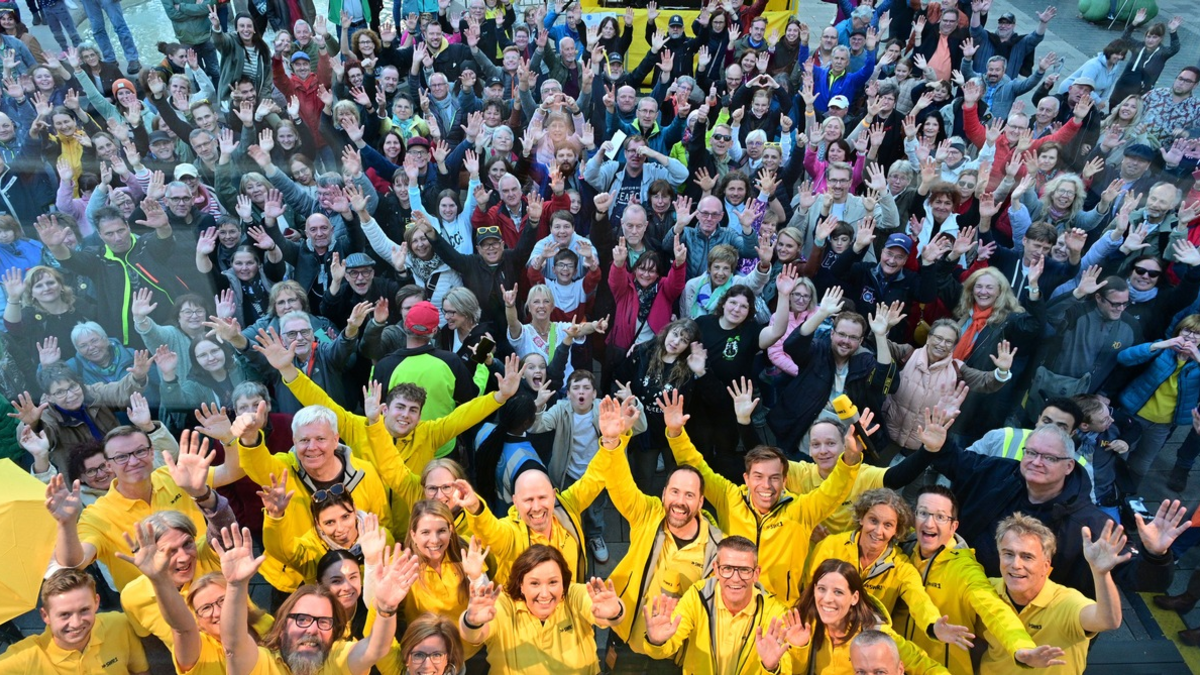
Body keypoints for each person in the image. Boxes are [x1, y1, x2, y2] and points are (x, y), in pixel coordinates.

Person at [664, 389, 861, 604]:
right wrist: (676, 433)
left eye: (774, 478)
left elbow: (833, 490)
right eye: (758, 476)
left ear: (785, 481)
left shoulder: (801, 510)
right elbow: (697, 466)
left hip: (780, 612)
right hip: (730, 604)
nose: (766, 485)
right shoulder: (729, 497)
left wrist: (851, 455)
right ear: (746, 479)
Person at [44, 427, 247, 591]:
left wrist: (228, 437)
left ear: (151, 452)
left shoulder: (174, 477)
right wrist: (66, 525)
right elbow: (76, 562)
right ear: (108, 465)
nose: (133, 461)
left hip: (210, 589)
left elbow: (232, 472)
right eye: (121, 457)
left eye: (140, 451)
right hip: (155, 612)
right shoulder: (97, 515)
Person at [897, 484, 1066, 674]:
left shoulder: (964, 569)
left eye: (940, 517)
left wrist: (1021, 647)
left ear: (954, 526)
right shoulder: (901, 549)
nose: (929, 523)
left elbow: (995, 610)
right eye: (923, 513)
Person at [214, 523, 419, 675]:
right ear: (283, 626)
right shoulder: (262, 663)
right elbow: (233, 643)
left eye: (323, 622)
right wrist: (236, 585)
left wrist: (385, 607)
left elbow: (376, 648)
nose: (312, 629)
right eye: (302, 619)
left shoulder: (336, 660)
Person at [980, 514, 1126, 674]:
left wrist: (1101, 573)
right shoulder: (986, 589)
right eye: (1008, 554)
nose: (1016, 564)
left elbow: (1108, 621)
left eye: (1027, 557)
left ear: (1045, 565)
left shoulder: (1066, 603)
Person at [458, 544, 624, 675]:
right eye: (535, 583)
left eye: (553, 582)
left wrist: (615, 611)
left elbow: (606, 615)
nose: (545, 594)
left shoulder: (574, 595)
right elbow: (474, 635)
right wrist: (472, 621)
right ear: (521, 585)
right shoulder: (504, 605)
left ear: (563, 583)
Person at [641, 536, 795, 675]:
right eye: (727, 568)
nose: (735, 578)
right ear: (716, 569)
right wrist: (656, 641)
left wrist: (772, 668)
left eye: (744, 570)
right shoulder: (697, 596)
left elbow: (785, 668)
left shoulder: (774, 611)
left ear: (756, 573)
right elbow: (668, 646)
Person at [784, 559, 949, 674]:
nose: (827, 599)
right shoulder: (802, 625)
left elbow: (925, 666)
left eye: (838, 592)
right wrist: (799, 648)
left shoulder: (875, 632)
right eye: (821, 589)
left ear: (854, 598)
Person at [0, 568, 149, 674]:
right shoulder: (25, 657)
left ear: (96, 602)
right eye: (65, 615)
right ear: (45, 615)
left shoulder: (120, 624)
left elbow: (140, 671)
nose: (76, 623)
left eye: (84, 610)